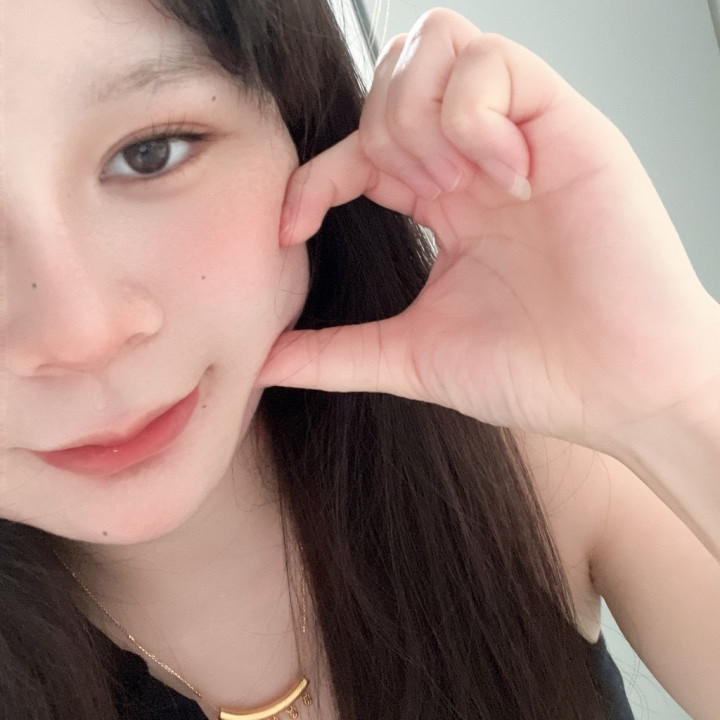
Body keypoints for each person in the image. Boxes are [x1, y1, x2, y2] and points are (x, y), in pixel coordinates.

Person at [2, 0, 719, 718]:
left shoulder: (535, 463)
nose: (81, 337)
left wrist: (676, 400)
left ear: (302, 132)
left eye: (150, 152)